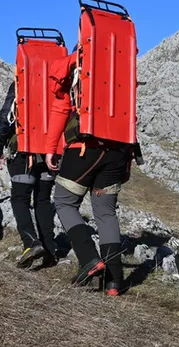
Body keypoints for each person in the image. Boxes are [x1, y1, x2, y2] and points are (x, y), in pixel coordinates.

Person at [44, 50, 136, 296]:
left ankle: (88, 258)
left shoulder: (74, 64)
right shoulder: (121, 66)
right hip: (118, 149)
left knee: (64, 202)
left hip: (84, 148)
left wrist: (51, 147)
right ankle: (114, 282)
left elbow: (59, 105)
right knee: (105, 213)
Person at [0, 80, 57, 269]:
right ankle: (50, 251)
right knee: (43, 200)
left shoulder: (20, 83)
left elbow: (6, 117)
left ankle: (31, 243)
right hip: (49, 152)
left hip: (23, 150)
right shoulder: (57, 84)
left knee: (20, 198)